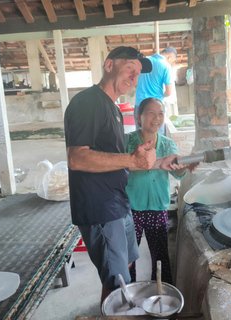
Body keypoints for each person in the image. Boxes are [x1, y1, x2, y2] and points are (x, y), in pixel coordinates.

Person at [64, 46, 183, 304]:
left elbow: (121, 163)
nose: (134, 76)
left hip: (118, 203)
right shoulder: (88, 102)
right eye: (129, 67)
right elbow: (77, 158)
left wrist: (159, 162)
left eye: (138, 73)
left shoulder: (114, 110)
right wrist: (131, 158)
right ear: (110, 66)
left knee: (126, 264)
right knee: (117, 283)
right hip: (100, 209)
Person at [126, 98, 198, 284]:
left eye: (161, 114)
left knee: (160, 257)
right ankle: (127, 297)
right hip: (131, 207)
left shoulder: (167, 144)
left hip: (158, 207)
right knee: (127, 258)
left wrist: (185, 165)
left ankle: (160, 295)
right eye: (151, 113)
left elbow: (178, 172)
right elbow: (121, 168)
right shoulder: (128, 142)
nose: (156, 118)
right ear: (139, 116)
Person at [134, 46, 177, 135]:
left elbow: (134, 83)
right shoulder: (165, 65)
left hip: (139, 104)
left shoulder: (144, 62)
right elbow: (169, 92)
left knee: (139, 136)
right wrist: (162, 95)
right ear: (169, 57)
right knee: (157, 137)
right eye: (172, 61)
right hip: (156, 107)